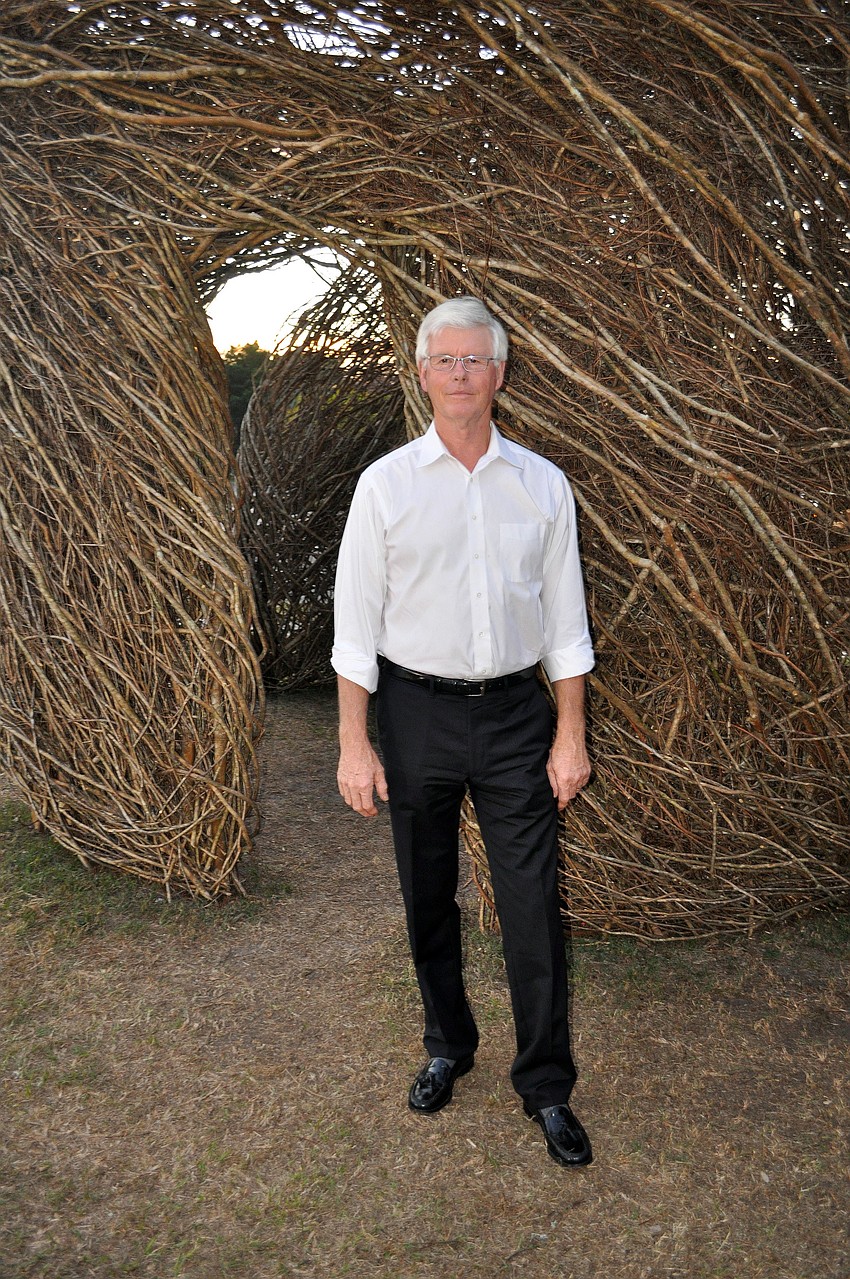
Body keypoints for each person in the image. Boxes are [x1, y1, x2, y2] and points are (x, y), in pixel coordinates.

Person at [331, 295, 595, 1168]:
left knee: (531, 905)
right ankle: (447, 1044)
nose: (459, 375)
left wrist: (570, 734)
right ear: (421, 373)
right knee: (427, 892)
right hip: (415, 714)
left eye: (474, 360)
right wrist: (353, 742)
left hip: (519, 715)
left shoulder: (542, 485)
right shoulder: (385, 486)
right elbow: (354, 629)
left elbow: (565, 627)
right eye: (443, 360)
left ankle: (547, 1086)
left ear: (499, 374)